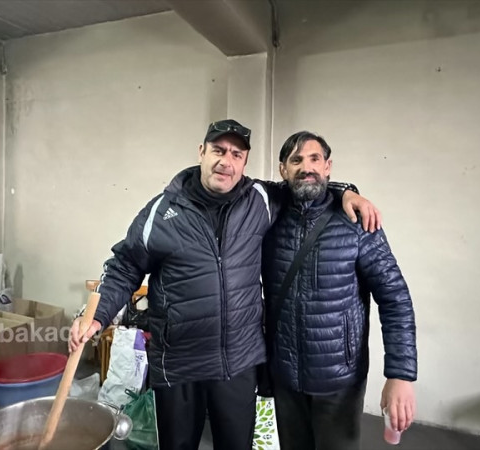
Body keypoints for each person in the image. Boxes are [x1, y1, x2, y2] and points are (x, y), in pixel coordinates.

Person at [69, 119, 381, 450]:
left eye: (236, 154)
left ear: (244, 162)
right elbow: (124, 266)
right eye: (218, 151)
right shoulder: (161, 211)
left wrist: (346, 192)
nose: (226, 162)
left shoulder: (260, 199)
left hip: (238, 363)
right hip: (178, 364)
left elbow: (305, 184)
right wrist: (98, 314)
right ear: (201, 152)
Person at [261, 131, 417, 450]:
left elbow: (395, 298)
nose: (307, 167)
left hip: (339, 379)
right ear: (283, 170)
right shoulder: (268, 217)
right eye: (296, 160)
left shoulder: (356, 222)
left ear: (328, 166)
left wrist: (400, 375)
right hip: (285, 375)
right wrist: (345, 189)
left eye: (315, 159)